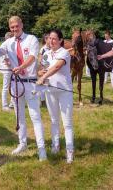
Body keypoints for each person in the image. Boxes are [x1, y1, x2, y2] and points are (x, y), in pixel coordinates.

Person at [0, 16, 47, 161]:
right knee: (19, 116)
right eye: (12, 27)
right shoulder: (8, 43)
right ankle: (22, 143)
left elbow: (32, 57)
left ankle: (42, 149)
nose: (15, 29)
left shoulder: (31, 39)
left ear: (21, 24)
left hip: (30, 82)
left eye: (16, 26)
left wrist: (20, 67)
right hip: (15, 84)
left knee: (35, 117)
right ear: (10, 28)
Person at [36, 29, 74, 164]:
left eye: (54, 39)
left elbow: (57, 67)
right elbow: (41, 69)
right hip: (50, 91)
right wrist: (40, 73)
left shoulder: (64, 53)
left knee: (67, 123)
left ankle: (70, 151)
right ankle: (55, 146)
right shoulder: (46, 53)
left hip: (65, 91)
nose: (51, 41)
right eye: (49, 38)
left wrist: (44, 76)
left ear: (60, 40)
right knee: (54, 121)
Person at [0, 31, 15, 111]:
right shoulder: (5, 45)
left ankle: (12, 103)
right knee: (5, 87)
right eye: (12, 37)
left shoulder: (7, 45)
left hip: (10, 69)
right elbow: (7, 61)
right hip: (7, 69)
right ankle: (4, 105)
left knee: (12, 86)